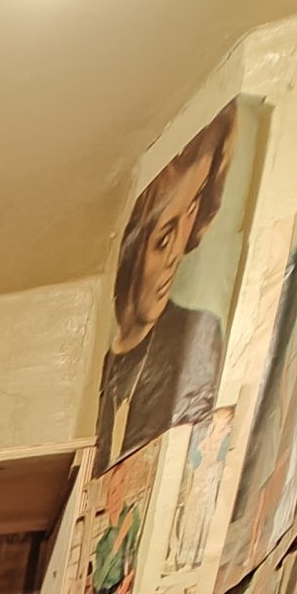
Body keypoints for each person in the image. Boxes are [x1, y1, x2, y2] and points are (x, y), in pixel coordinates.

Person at [96, 107, 238, 468]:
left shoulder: (195, 333)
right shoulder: (105, 369)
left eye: (193, 207)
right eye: (162, 240)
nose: (176, 255)